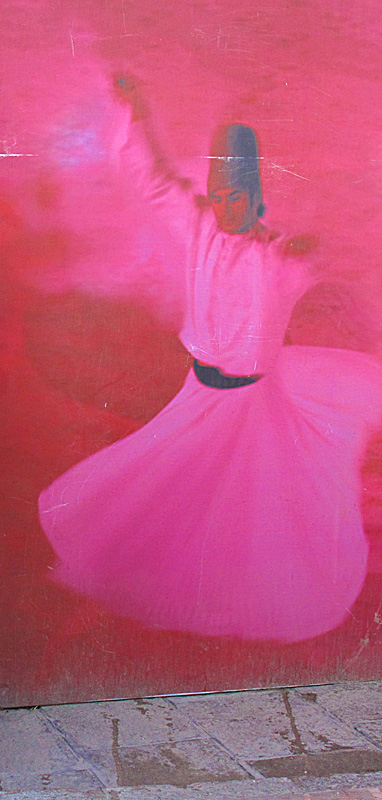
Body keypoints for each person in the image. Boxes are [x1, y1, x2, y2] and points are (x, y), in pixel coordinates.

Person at [37, 75, 382, 643]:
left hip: (253, 406)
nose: (224, 208)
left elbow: (319, 254)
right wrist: (136, 111)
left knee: (255, 507)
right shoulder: (197, 225)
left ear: (256, 196)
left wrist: (308, 251)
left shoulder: (277, 257)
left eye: (236, 198)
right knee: (159, 484)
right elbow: (150, 181)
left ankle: (258, 591)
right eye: (217, 196)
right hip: (197, 395)